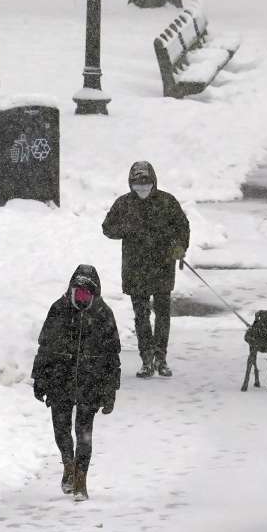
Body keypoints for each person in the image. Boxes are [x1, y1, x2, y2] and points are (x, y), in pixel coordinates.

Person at [31, 264, 121, 500]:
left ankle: (80, 478)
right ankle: (68, 464)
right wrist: (40, 378)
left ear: (95, 294)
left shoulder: (103, 315)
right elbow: (45, 347)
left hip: (90, 383)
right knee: (61, 430)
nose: (81, 297)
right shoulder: (58, 309)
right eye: (77, 292)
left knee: (84, 433)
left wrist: (110, 390)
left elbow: (113, 357)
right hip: (59, 380)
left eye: (86, 293)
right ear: (70, 290)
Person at [102, 161, 190, 379]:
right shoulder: (123, 204)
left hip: (162, 266)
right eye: (137, 184)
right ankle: (146, 359)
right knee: (141, 315)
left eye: (146, 184)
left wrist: (179, 246)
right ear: (130, 183)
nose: (142, 188)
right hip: (135, 268)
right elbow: (107, 228)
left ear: (154, 182)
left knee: (162, 315)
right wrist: (128, 229)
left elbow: (182, 226)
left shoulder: (167, 202)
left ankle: (161, 357)